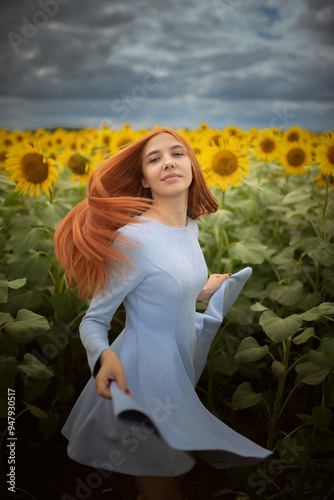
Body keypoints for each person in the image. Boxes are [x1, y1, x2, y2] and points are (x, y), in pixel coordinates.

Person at [54, 127, 271, 500]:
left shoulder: (189, 227)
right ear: (144, 178)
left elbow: (159, 282)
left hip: (173, 375)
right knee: (164, 485)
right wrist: (103, 357)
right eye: (154, 159)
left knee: (165, 478)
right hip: (138, 380)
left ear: (192, 165)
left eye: (177, 153)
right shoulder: (134, 239)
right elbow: (95, 319)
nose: (167, 161)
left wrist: (197, 291)